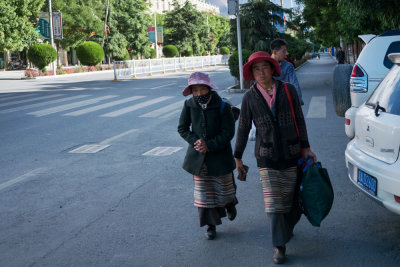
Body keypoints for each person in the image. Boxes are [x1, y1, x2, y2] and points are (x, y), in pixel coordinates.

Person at [234, 51, 316, 264]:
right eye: (256, 69)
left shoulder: (288, 90)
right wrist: (238, 157)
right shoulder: (249, 97)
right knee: (273, 203)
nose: (261, 73)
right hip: (266, 156)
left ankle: (285, 229)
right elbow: (243, 128)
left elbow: (299, 120)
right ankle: (279, 246)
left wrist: (306, 147)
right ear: (252, 73)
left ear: (272, 69)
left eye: (264, 68)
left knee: (290, 201)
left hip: (291, 152)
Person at [178, 72, 238, 240]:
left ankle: (230, 203)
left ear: (209, 89)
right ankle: (211, 226)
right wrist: (195, 141)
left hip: (220, 157)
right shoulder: (189, 105)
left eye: (202, 89)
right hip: (199, 159)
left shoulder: (223, 106)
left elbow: (228, 132)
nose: (198, 94)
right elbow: (182, 128)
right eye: (195, 90)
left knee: (224, 190)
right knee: (204, 195)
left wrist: (209, 145)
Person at [270, 39, 304, 105]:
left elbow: (295, 85)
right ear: (274, 52)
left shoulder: (288, 66)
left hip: (286, 104)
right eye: (284, 51)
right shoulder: (265, 66)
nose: (287, 53)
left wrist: (298, 102)